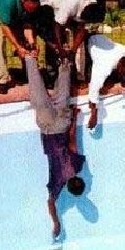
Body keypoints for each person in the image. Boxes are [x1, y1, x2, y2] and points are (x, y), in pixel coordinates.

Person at [25, 53, 86, 239]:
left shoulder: (77, 165)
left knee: (62, 95)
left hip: (61, 126)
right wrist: (56, 222)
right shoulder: (57, 184)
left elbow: (72, 140)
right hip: (47, 129)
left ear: (79, 179)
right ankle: (30, 59)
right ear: (68, 187)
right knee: (39, 96)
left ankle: (64, 60)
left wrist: (74, 117)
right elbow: (50, 203)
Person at [35, 0, 106, 83]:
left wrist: (73, 51)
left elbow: (81, 30)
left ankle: (80, 74)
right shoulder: (68, 6)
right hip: (55, 9)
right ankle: (53, 75)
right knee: (54, 41)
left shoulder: (92, 4)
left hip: (74, 4)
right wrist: (60, 49)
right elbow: (57, 27)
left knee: (83, 43)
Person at [0, 0, 42, 94]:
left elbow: (28, 25)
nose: (32, 9)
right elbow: (5, 27)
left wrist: (32, 44)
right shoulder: (8, 3)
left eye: (34, 7)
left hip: (14, 11)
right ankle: (2, 80)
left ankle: (28, 72)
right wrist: (18, 47)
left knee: (26, 40)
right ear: (23, 0)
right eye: (30, 7)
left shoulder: (33, 3)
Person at [86, 33, 125, 129]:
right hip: (93, 42)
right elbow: (93, 90)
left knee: (123, 81)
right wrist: (94, 114)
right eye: (122, 72)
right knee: (103, 88)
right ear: (119, 64)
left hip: (104, 42)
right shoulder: (104, 66)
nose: (123, 74)